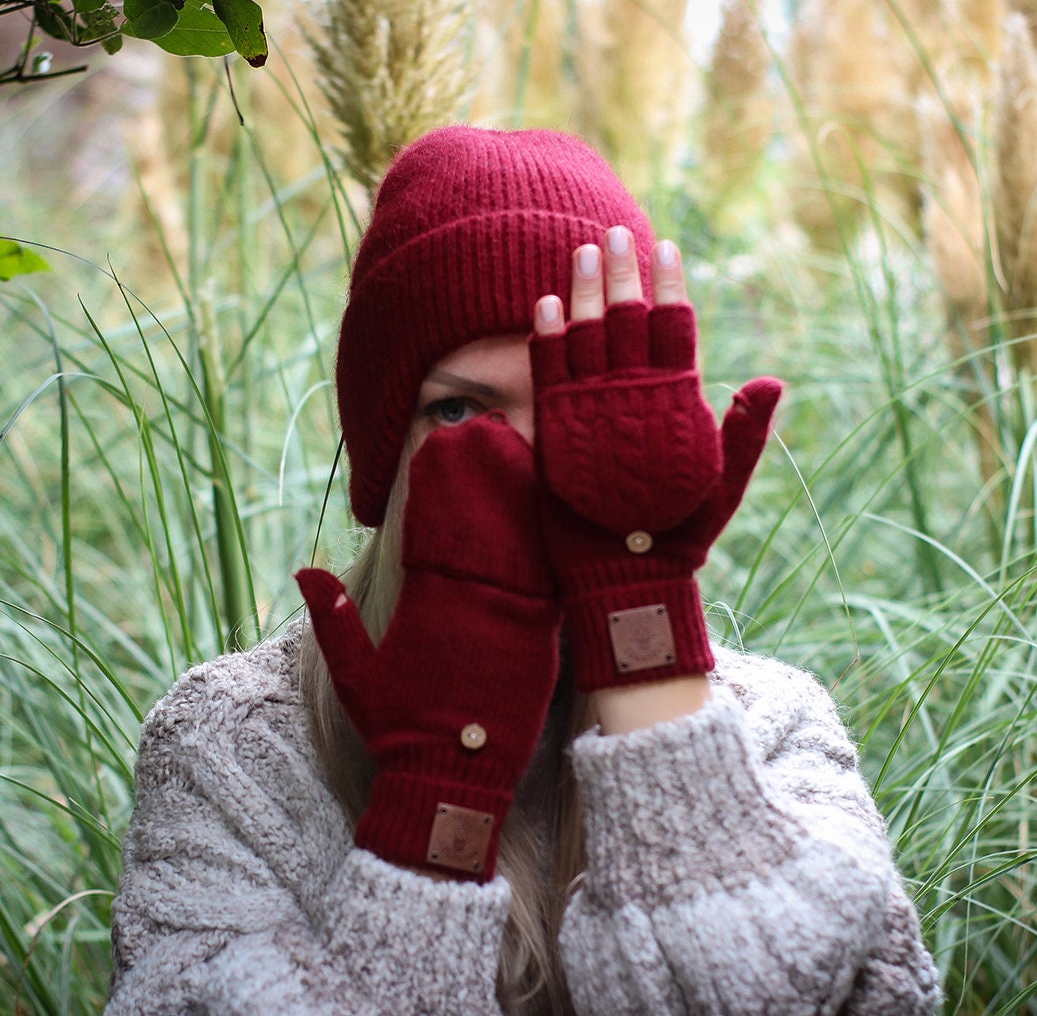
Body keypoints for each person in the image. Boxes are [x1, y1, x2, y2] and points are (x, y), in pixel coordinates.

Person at [106, 126, 942, 1015]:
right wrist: (437, 795)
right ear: (387, 459)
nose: (525, 463)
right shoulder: (232, 745)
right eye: (461, 411)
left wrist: (643, 644)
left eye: (580, 404)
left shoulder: (771, 728)